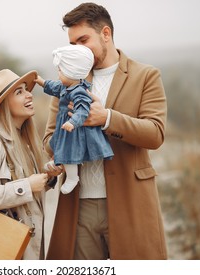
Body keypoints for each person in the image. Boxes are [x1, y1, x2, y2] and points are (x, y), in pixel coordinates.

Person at [44, 3, 168, 260]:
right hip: (78, 206)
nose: (77, 49)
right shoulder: (68, 80)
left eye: (83, 40)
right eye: (72, 43)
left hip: (130, 201)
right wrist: (65, 144)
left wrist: (108, 119)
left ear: (106, 34)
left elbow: (155, 133)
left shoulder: (146, 76)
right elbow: (48, 140)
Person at [0, 69, 61, 260]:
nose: (29, 95)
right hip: (5, 250)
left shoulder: (24, 142)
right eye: (19, 92)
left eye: (26, 89)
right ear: (3, 105)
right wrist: (27, 186)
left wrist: (49, 176)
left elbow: (28, 186)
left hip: (25, 248)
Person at [35, 44, 113, 195]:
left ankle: (72, 177)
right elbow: (54, 87)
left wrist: (73, 122)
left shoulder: (79, 92)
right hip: (64, 128)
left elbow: (83, 110)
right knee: (58, 145)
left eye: (60, 70)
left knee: (70, 152)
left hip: (74, 131)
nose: (58, 73)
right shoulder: (67, 87)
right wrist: (41, 82)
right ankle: (58, 161)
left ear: (72, 72)